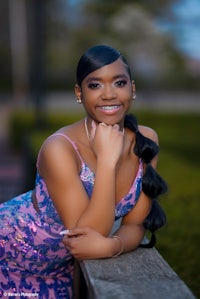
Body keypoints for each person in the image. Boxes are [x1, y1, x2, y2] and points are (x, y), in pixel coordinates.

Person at [0, 45, 167, 298]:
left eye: (119, 83)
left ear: (132, 88)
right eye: (95, 85)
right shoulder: (59, 147)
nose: (109, 94)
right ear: (79, 93)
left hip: (61, 272)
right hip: (10, 257)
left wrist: (113, 245)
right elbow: (87, 234)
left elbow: (134, 225)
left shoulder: (147, 140)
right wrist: (107, 161)